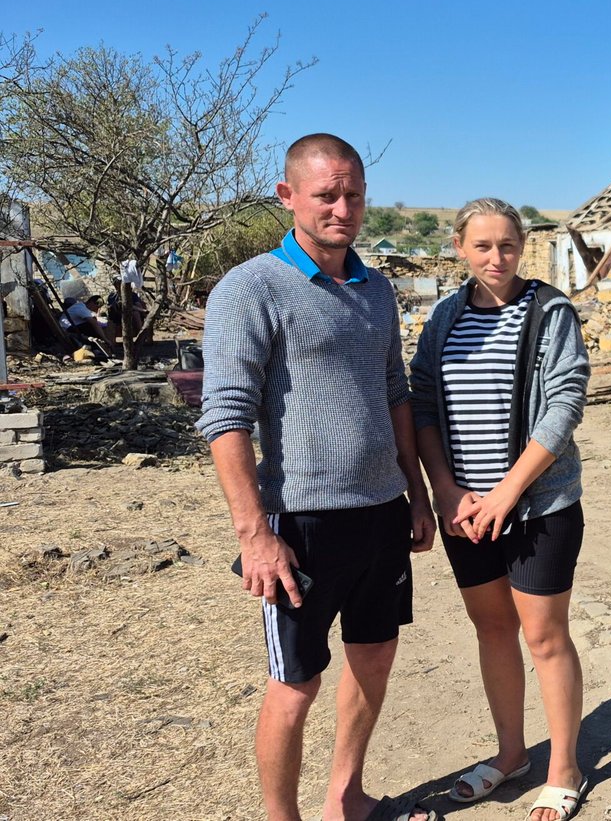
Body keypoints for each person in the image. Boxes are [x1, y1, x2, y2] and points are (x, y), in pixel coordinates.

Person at [196, 133, 438, 821]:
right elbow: (226, 416)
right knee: (295, 683)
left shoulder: (375, 288)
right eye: (326, 194)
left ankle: (345, 797)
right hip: (300, 522)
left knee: (375, 658)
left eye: (353, 194)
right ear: (288, 196)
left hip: (381, 512)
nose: (342, 207)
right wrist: (254, 536)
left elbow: (395, 390)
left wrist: (414, 493)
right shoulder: (251, 288)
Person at [409, 198, 591, 821]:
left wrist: (509, 491)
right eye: (482, 246)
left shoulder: (550, 312)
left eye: (507, 245)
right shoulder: (443, 318)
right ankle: (511, 753)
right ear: (460, 248)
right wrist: (446, 489)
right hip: (465, 512)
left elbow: (564, 404)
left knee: (545, 637)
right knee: (492, 630)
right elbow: (424, 403)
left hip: (538, 506)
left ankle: (564, 769)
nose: (496, 257)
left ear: (522, 247)